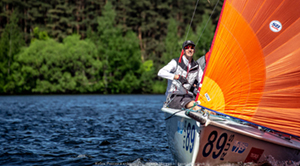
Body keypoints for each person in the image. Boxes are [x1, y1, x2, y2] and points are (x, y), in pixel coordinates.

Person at [158, 40, 203, 110]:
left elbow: (202, 82)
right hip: (174, 97)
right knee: (195, 105)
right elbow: (160, 72)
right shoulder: (175, 62)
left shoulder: (197, 66)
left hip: (189, 96)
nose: (189, 49)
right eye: (187, 47)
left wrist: (198, 87)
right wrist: (176, 77)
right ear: (183, 51)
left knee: (206, 106)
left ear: (194, 50)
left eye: (192, 47)